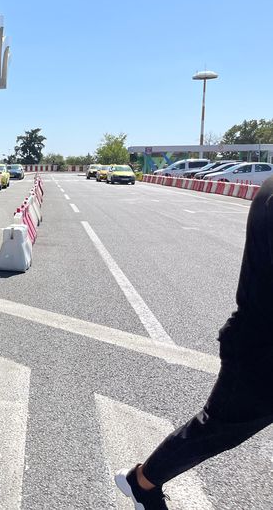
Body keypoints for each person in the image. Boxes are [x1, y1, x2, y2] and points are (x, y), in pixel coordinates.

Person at [115, 176, 273, 510]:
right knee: (217, 428)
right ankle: (142, 482)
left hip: (257, 337)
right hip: (262, 346)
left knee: (218, 427)